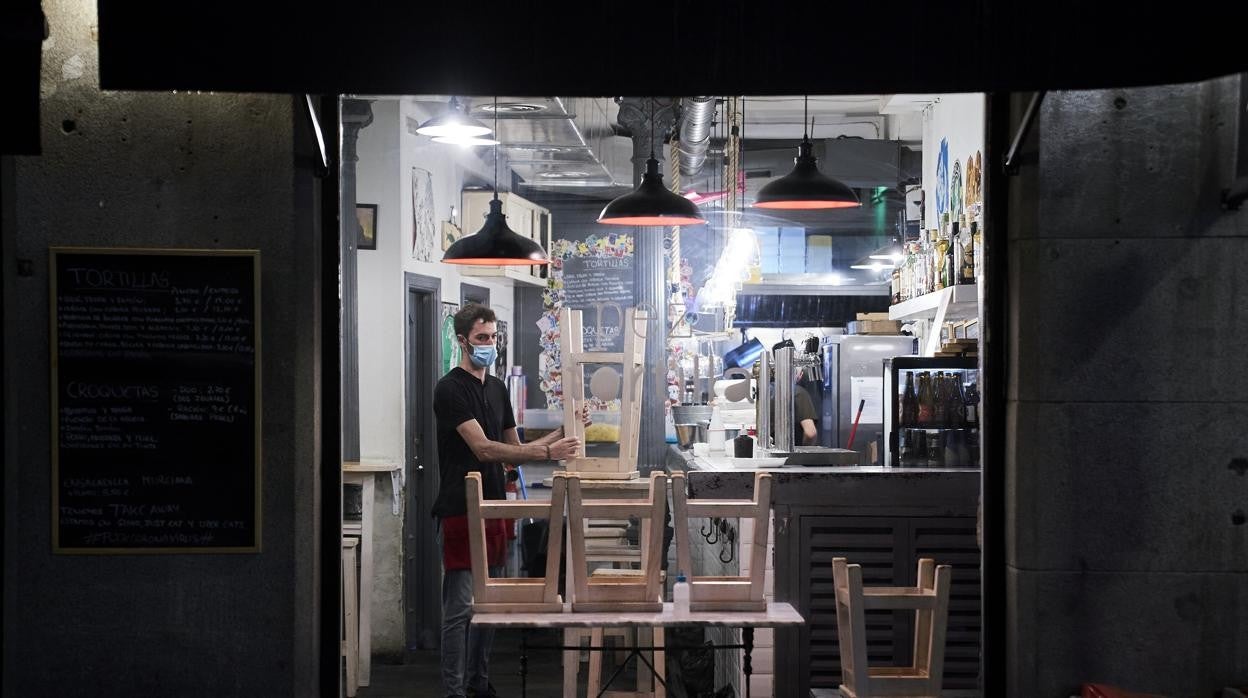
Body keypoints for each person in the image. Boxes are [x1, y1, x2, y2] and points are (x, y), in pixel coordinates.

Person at [431, 303, 581, 698]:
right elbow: (484, 449)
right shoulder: (449, 390)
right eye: (482, 338)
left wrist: (564, 431)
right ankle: (454, 690)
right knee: (461, 606)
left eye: (493, 338)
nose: (489, 345)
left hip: (496, 506)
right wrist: (547, 455)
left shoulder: (497, 388)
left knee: (490, 606)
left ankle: (479, 683)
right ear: (462, 341)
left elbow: (513, 448)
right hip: (461, 508)